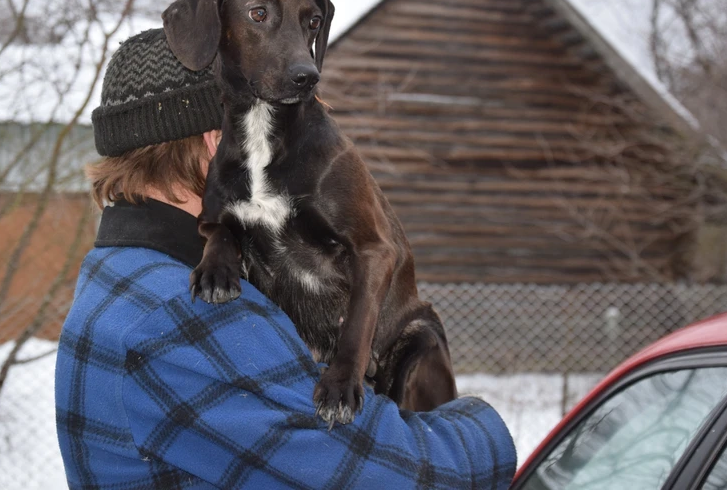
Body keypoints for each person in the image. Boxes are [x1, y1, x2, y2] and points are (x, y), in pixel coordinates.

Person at [54, 28, 517, 489]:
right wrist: (479, 431)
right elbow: (393, 475)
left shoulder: (115, 275)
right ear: (221, 143)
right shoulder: (188, 315)